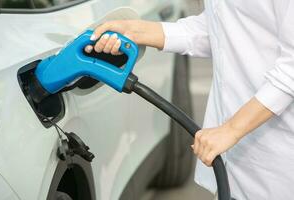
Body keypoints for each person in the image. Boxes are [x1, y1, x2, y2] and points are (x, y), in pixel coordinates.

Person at [84, 1, 294, 199]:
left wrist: (231, 129)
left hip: (278, 167)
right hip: (238, 166)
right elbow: (219, 31)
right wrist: (135, 31)